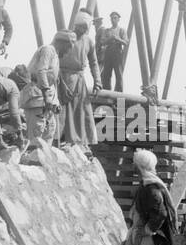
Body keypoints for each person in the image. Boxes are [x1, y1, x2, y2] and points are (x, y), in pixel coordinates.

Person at [57, 13, 100, 147]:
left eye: (85, 27)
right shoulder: (66, 37)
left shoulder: (88, 41)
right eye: (80, 27)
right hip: (63, 78)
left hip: (79, 80)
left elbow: (94, 62)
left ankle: (81, 142)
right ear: (76, 25)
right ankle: (56, 140)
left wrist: (97, 81)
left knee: (82, 112)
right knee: (61, 111)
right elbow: (55, 56)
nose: (82, 30)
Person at [21, 43, 61, 147]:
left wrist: (55, 103)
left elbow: (52, 80)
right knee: (36, 135)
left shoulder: (56, 54)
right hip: (36, 96)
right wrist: (46, 96)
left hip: (48, 102)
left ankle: (45, 160)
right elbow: (41, 71)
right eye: (69, 46)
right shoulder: (48, 50)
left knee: (49, 132)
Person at [97, 10, 129, 91]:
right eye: (112, 18)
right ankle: (106, 92)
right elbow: (102, 42)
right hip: (108, 52)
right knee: (106, 74)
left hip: (117, 52)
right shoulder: (107, 30)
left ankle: (118, 93)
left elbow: (126, 42)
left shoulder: (122, 30)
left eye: (115, 18)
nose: (113, 20)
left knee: (118, 74)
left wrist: (117, 39)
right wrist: (110, 39)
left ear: (118, 19)